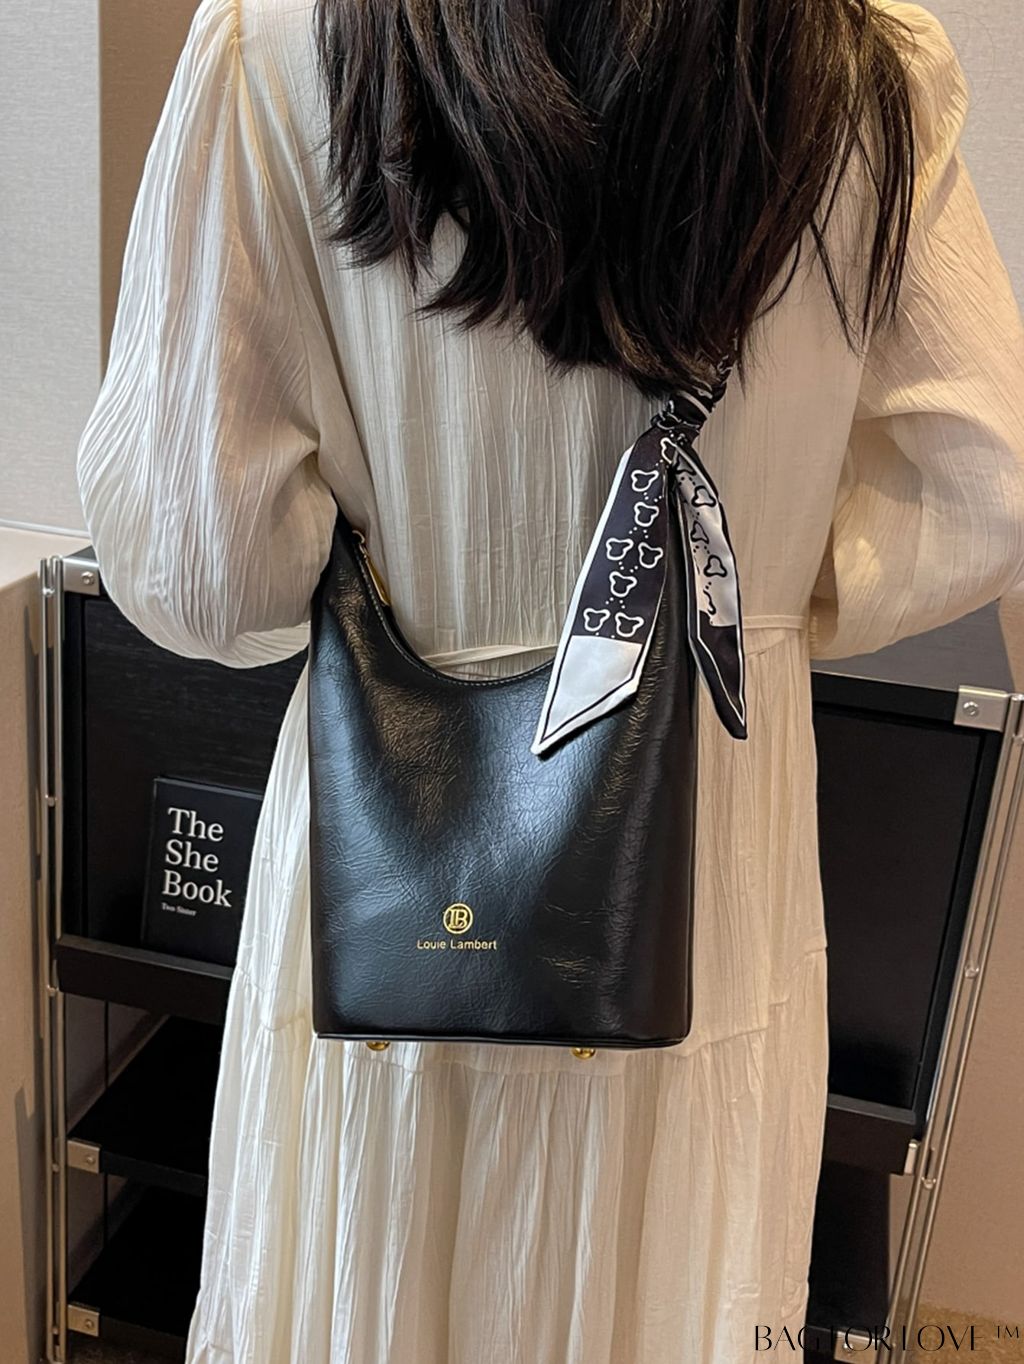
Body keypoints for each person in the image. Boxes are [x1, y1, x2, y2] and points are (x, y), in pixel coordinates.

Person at [75, 0, 1024, 1359]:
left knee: (373, 1284)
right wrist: (748, 595)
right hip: (702, 866)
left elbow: (199, 567)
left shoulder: (276, 46)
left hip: (394, 850)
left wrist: (401, 548)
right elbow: (980, 490)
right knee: (666, 1285)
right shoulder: (861, 60)